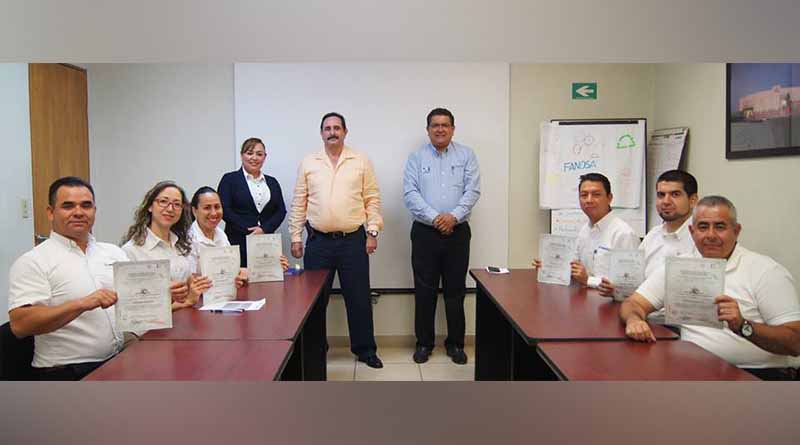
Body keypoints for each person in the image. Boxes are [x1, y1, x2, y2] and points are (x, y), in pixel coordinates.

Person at [620, 196, 800, 380]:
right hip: (692, 370)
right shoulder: (680, 266)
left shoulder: (766, 271)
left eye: (720, 227)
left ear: (736, 231)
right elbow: (633, 303)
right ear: (692, 231)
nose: (711, 235)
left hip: (754, 374)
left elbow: (795, 343)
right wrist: (634, 320)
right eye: (703, 227)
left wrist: (743, 325)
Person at [289, 112, 384, 368]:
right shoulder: (309, 162)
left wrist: (372, 231)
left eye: (337, 128)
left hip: (353, 241)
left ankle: (365, 350)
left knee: (359, 298)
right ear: (321, 133)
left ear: (345, 132)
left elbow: (372, 198)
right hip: (318, 243)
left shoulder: (360, 160)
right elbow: (299, 202)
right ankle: (315, 349)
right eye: (327, 128)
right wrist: (296, 236)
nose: (332, 132)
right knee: (314, 302)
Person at [8, 177, 128, 380]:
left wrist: (165, 293)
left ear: (94, 211)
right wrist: (81, 304)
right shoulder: (33, 261)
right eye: (68, 206)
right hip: (67, 373)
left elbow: (133, 302)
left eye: (86, 205)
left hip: (116, 361)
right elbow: (20, 325)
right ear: (50, 212)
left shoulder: (113, 252)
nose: (79, 212)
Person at [403, 107, 480, 364]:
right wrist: (436, 218)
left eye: (445, 125)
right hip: (425, 233)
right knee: (424, 291)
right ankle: (424, 344)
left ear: (453, 129)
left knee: (455, 291)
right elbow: (410, 194)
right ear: (428, 130)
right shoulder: (416, 158)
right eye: (435, 125)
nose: (440, 129)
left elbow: (472, 191)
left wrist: (452, 217)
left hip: (458, 232)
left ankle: (455, 344)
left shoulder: (467, 156)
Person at [598, 170, 698, 298]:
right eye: (661, 195)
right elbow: (636, 281)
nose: (666, 201)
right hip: (640, 307)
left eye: (675, 194)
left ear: (692, 200)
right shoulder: (653, 235)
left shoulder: (701, 239)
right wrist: (617, 290)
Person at [533, 173, 639, 287]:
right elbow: (573, 267)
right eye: (584, 195)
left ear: (609, 198)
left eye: (596, 195)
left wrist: (588, 280)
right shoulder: (584, 230)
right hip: (583, 295)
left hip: (609, 298)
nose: (589, 200)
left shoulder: (624, 234)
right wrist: (549, 267)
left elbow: (629, 284)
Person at [122, 181, 208, 311]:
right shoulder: (132, 250)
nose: (170, 209)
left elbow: (185, 281)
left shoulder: (180, 245)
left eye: (177, 204)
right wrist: (185, 301)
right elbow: (132, 305)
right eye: (163, 201)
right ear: (150, 206)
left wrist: (193, 285)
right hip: (153, 323)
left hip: (185, 318)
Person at [189, 186, 288, 286]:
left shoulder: (221, 235)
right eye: (207, 208)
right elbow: (190, 280)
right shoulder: (188, 240)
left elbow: (231, 270)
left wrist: (274, 266)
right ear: (195, 211)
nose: (214, 213)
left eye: (217, 207)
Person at [218, 137, 287, 267]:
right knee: (239, 277)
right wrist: (249, 229)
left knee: (267, 277)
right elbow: (225, 210)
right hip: (237, 241)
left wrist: (264, 229)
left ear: (265, 157)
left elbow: (281, 211)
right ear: (242, 155)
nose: (254, 158)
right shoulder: (229, 179)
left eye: (259, 154)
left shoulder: (272, 182)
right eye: (249, 153)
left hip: (266, 242)